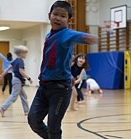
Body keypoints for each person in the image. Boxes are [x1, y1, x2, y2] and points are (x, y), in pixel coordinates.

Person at [27, 1, 98, 139]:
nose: (58, 18)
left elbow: (79, 36)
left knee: (53, 125)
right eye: (55, 14)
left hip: (60, 89)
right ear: (49, 15)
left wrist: (90, 38)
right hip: (44, 86)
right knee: (33, 120)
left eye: (63, 16)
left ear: (68, 20)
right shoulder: (48, 36)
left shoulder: (67, 34)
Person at [0, 45, 32, 117]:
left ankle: (26, 111)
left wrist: (2, 75)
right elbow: (21, 71)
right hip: (17, 81)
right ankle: (3, 108)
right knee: (14, 96)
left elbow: (7, 69)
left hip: (16, 80)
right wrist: (29, 78)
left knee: (23, 96)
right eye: (25, 53)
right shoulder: (20, 61)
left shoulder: (15, 60)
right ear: (21, 53)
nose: (26, 55)